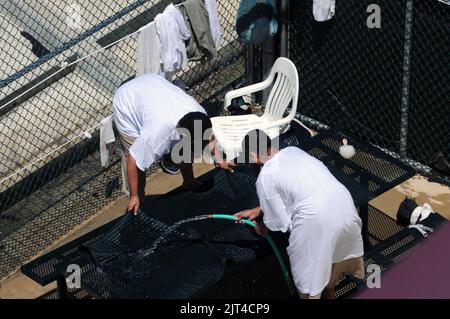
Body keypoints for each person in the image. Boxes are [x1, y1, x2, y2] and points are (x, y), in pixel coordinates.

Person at [234, 129, 364, 299]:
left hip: (317, 220)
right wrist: (259, 209)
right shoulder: (294, 151)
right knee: (335, 255)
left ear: (252, 155)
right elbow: (299, 190)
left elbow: (279, 222)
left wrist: (262, 227)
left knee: (310, 279)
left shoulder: (265, 176)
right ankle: (331, 293)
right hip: (345, 207)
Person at [113, 74, 233, 214]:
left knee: (185, 147)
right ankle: (137, 201)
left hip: (153, 84)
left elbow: (208, 136)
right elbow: (132, 159)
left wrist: (219, 160)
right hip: (126, 101)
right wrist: (134, 195)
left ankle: (189, 181)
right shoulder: (158, 133)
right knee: (136, 158)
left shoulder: (200, 113)